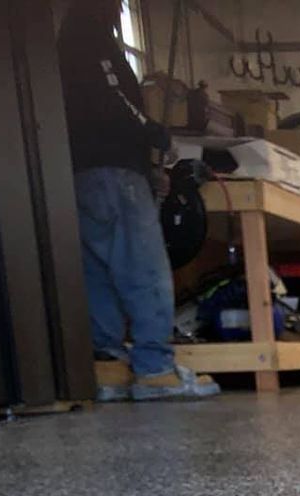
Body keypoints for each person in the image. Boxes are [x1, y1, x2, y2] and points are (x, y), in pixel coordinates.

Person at [57, 0, 218, 401]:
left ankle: (108, 368)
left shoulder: (66, 41)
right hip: (115, 174)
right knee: (144, 270)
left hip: (81, 172)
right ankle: (155, 368)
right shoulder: (93, 41)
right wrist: (154, 133)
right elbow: (113, 104)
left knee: (97, 272)